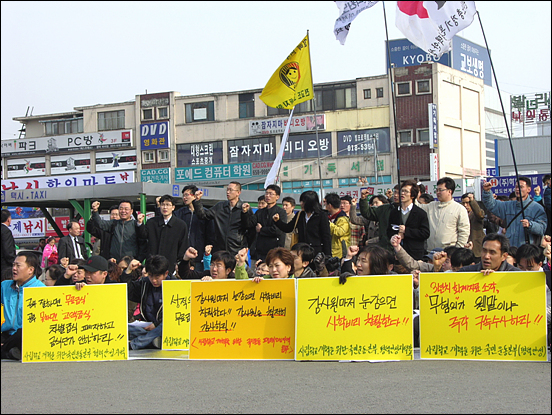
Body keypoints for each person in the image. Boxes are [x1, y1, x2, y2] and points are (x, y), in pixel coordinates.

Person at [1, 252, 45, 360]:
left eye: (18, 265)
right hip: (7, 333)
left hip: (26, 334)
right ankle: (10, 352)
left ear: (31, 270)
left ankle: (5, 350)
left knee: (23, 333)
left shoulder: (41, 289)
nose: (14, 269)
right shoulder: (5, 285)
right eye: (13, 265)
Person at [481, 176, 548, 247]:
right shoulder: (508, 205)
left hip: (527, 249)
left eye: (521, 187)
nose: (517, 189)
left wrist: (530, 225)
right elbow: (492, 205)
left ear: (529, 189)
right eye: (516, 187)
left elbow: (542, 228)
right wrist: (487, 192)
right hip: (511, 248)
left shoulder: (537, 208)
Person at [159, 185, 213, 272]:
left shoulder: (205, 213)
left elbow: (210, 233)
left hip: (198, 254)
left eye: (187, 195)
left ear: (194, 196)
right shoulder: (179, 213)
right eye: (183, 195)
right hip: (181, 254)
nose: (184, 197)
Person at [127, 255, 176, 350]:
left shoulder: (175, 286)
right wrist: (128, 271)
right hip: (147, 326)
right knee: (125, 328)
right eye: (150, 275)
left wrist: (156, 324)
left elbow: (174, 315)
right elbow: (128, 290)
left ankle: (136, 344)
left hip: (165, 326)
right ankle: (152, 340)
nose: (154, 280)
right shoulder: (145, 283)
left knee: (164, 326)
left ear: (166, 274)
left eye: (157, 276)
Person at [192, 181, 249, 257]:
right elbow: (203, 215)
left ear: (238, 193)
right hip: (219, 249)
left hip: (237, 250)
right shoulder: (220, 207)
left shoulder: (244, 208)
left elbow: (249, 227)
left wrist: (245, 246)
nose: (228, 192)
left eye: (230, 190)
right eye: (227, 190)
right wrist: (197, 201)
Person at [137, 194, 189, 276]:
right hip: (153, 264)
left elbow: (183, 245)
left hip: (170, 265)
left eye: (168, 205)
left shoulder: (181, 225)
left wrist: (179, 263)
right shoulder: (152, 222)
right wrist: (140, 223)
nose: (165, 207)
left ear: (173, 207)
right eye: (163, 205)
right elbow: (143, 236)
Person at [416, 177, 470, 252]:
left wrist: (457, 251)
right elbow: (417, 207)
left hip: (448, 253)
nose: (438, 192)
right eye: (437, 190)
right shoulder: (431, 206)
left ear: (449, 191)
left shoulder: (459, 209)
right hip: (430, 252)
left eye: (440, 190)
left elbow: (464, 232)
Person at [273, 190, 332, 258]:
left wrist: (327, 255)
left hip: (316, 252)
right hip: (302, 251)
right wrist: (277, 221)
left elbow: (326, 237)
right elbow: (288, 228)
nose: (301, 203)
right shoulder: (300, 215)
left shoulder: (321, 215)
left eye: (303, 202)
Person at [242, 185, 288, 262]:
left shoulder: (281, 212)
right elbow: (249, 224)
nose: (267, 196)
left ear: (277, 197)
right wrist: (245, 213)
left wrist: (262, 229)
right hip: (258, 252)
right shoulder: (260, 212)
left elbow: (278, 230)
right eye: (266, 193)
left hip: (274, 252)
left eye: (271, 194)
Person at [387, 180, 430, 261]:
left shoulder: (420, 213)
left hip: (414, 254)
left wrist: (406, 231)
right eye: (402, 191)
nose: (402, 193)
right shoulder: (394, 212)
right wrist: (394, 236)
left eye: (406, 191)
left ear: (412, 195)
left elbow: (425, 233)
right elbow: (389, 230)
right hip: (397, 253)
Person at [358, 186, 399, 253]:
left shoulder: (411, 210)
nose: (396, 195)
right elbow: (367, 213)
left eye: (376, 202)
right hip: (385, 248)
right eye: (395, 192)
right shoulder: (384, 209)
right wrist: (363, 199)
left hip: (403, 249)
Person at [323, 193, 351, 259]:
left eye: (325, 204)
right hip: (331, 251)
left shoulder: (342, 218)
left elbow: (340, 232)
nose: (325, 206)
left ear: (329, 205)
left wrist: (327, 223)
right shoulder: (329, 216)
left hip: (340, 253)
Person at [461, 192, 485, 262]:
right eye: (463, 203)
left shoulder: (477, 213)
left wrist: (472, 201)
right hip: (464, 246)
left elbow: (479, 215)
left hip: (476, 247)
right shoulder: (460, 213)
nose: (465, 205)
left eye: (467, 203)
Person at [1, 209, 17, 277]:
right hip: (4, 266)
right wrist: (14, 263)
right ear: (8, 219)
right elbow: (8, 250)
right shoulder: (5, 231)